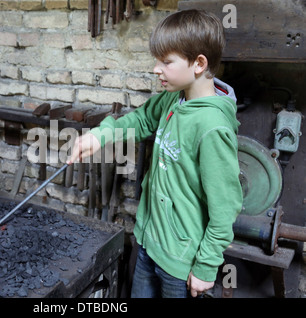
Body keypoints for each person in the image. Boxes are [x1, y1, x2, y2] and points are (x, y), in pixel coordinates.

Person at [67, 9, 243, 298]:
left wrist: (206, 266)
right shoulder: (174, 98)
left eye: (166, 62)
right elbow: (141, 120)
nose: (156, 69)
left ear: (199, 63)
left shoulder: (212, 127)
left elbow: (225, 209)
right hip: (149, 243)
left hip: (181, 262)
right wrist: (101, 136)